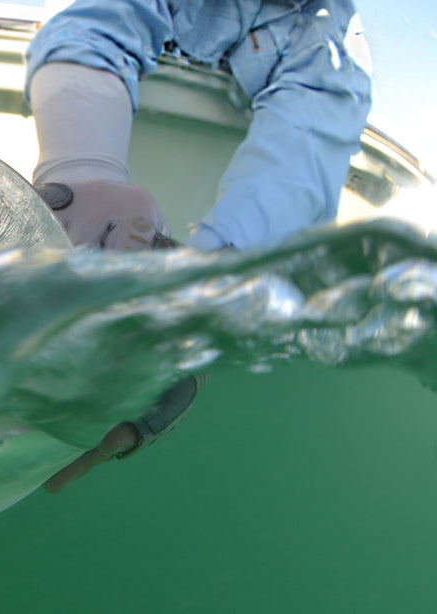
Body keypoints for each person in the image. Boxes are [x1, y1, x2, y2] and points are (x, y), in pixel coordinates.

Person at [29, 0, 372, 490]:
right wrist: (82, 173)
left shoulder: (332, 37)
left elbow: (307, 145)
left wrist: (200, 312)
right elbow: (95, 23)